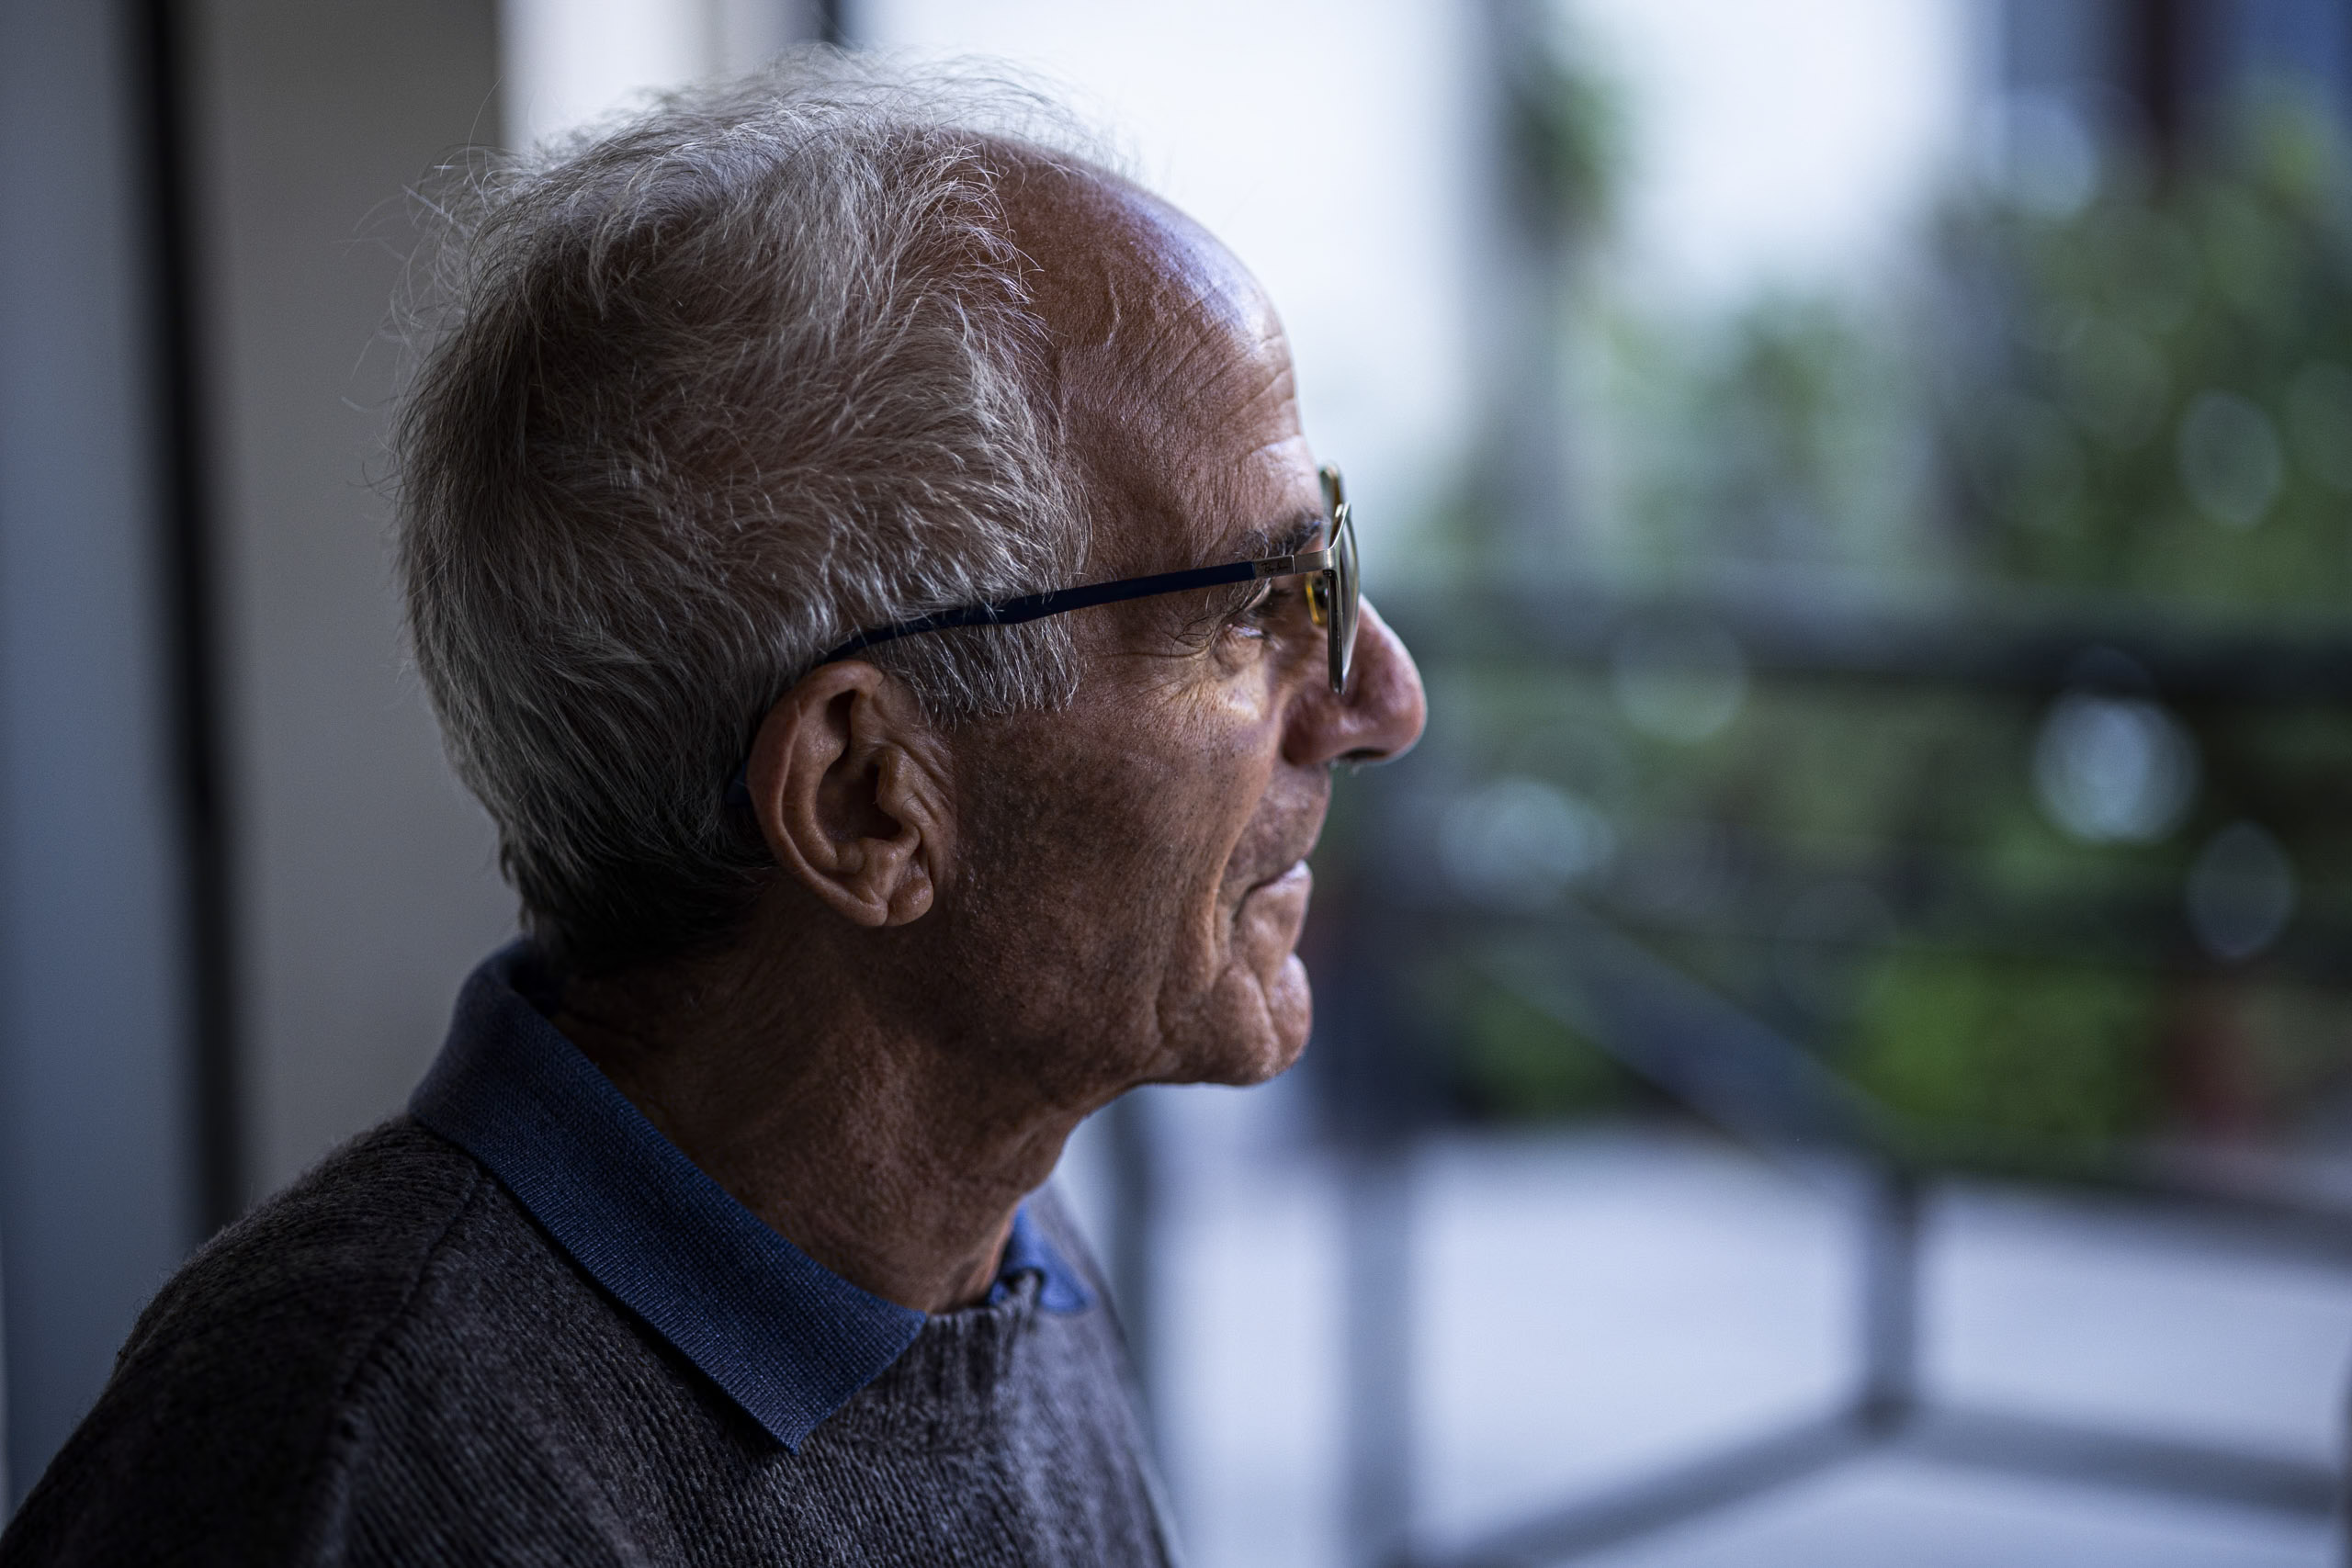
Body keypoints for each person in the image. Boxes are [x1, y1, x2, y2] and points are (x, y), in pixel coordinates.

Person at [0, 52, 1424, 1567]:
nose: (1382, 700)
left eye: (1320, 567)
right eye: (1254, 610)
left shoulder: (988, 1261)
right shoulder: (345, 1476)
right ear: (868, 801)